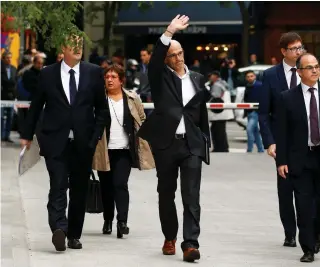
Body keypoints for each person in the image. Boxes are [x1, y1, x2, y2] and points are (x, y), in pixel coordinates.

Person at [19, 36, 109, 251]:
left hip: (83, 142)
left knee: (79, 190)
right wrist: (27, 134)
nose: (78, 48)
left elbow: (102, 109)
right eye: (73, 44)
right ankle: (59, 228)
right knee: (58, 184)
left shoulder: (93, 72)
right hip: (54, 141)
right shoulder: (48, 73)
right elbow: (36, 105)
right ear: (63, 48)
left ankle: (74, 235)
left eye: (81, 44)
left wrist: (95, 137)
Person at [137, 15, 211, 263]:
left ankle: (190, 244)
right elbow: (156, 59)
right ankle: (170, 236)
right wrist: (169, 32)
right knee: (166, 193)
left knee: (191, 195)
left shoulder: (198, 79)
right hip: (166, 144)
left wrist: (204, 141)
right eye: (173, 55)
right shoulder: (159, 77)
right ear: (166, 59)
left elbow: (200, 114)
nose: (178, 58)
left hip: (191, 144)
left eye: (180, 54)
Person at [276, 53, 320, 262]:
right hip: (300, 159)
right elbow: (282, 132)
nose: (315, 70)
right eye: (309, 67)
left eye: (317, 66)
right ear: (299, 72)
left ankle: (316, 232)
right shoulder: (287, 97)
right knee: (303, 205)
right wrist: (282, 161)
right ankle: (307, 247)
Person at [92, 64, 155, 239]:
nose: (110, 80)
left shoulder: (132, 98)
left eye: (113, 77)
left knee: (120, 184)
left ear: (121, 80)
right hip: (104, 149)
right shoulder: (99, 98)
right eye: (107, 77)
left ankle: (122, 222)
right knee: (106, 187)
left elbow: (141, 118)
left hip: (124, 150)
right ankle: (107, 220)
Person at [258, 32, 303, 247]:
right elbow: (264, 113)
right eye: (294, 48)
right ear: (284, 51)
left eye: (300, 48)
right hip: (282, 141)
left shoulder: (308, 70)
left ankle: (310, 231)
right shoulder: (270, 75)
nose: (299, 52)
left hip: (308, 139)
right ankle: (290, 232)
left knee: (308, 188)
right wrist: (270, 141)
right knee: (286, 189)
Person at [243, 70, 264, 153]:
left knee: (249, 129)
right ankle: (260, 149)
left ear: (255, 76)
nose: (249, 78)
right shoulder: (247, 86)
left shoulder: (259, 85)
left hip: (256, 111)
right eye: (248, 77)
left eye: (251, 76)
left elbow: (263, 98)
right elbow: (246, 99)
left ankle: (249, 149)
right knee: (255, 132)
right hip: (249, 112)